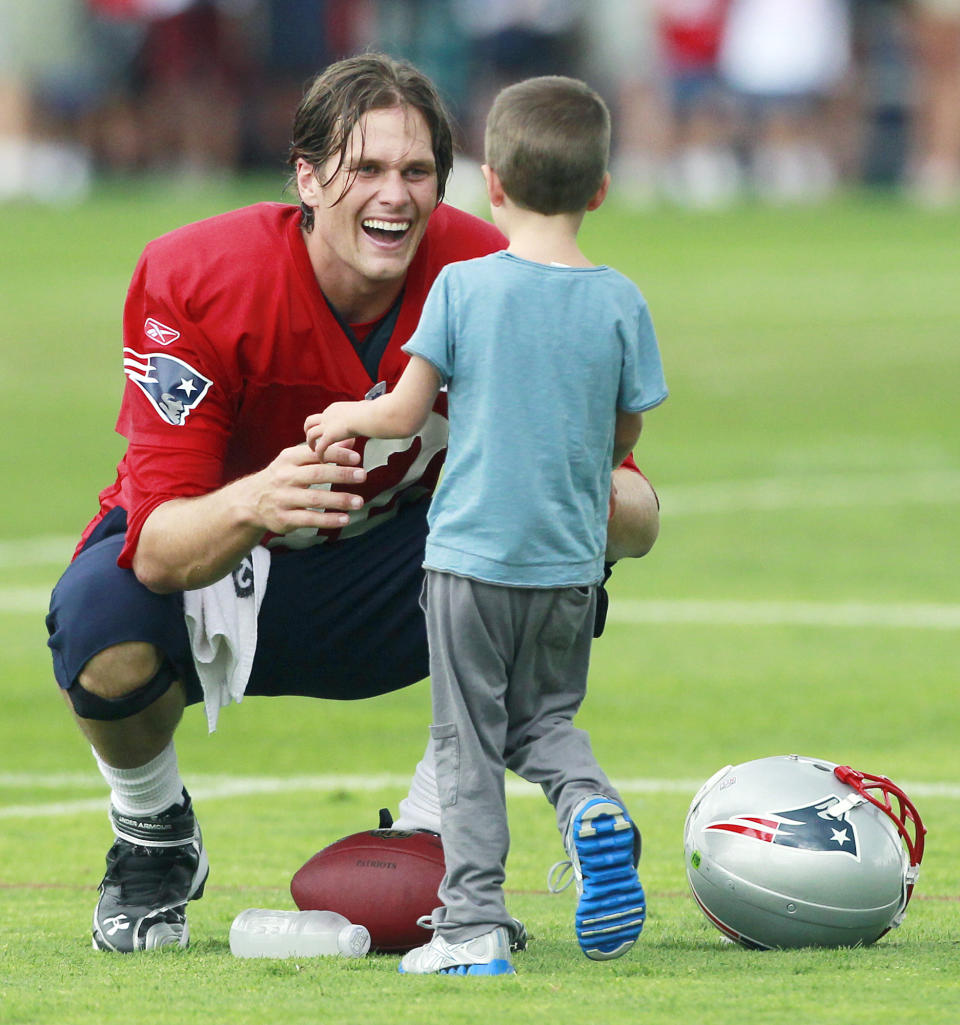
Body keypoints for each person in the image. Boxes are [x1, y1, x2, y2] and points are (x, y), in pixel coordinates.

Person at [45, 53, 662, 954]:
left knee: (566, 531)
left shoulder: (495, 271)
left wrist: (597, 507)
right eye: (365, 168)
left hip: (410, 573)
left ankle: (431, 824)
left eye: (416, 172)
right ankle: (153, 831)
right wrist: (257, 497)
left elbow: (631, 499)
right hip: (235, 556)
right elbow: (159, 549)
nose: (395, 195)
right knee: (97, 616)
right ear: (304, 175)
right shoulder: (200, 273)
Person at [306, 75, 668, 975]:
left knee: (465, 742)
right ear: (600, 190)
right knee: (544, 722)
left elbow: (401, 412)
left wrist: (343, 418)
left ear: (491, 183)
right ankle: (588, 805)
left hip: (470, 561)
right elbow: (625, 434)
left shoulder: (463, 289)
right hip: (570, 567)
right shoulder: (622, 301)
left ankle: (469, 925)